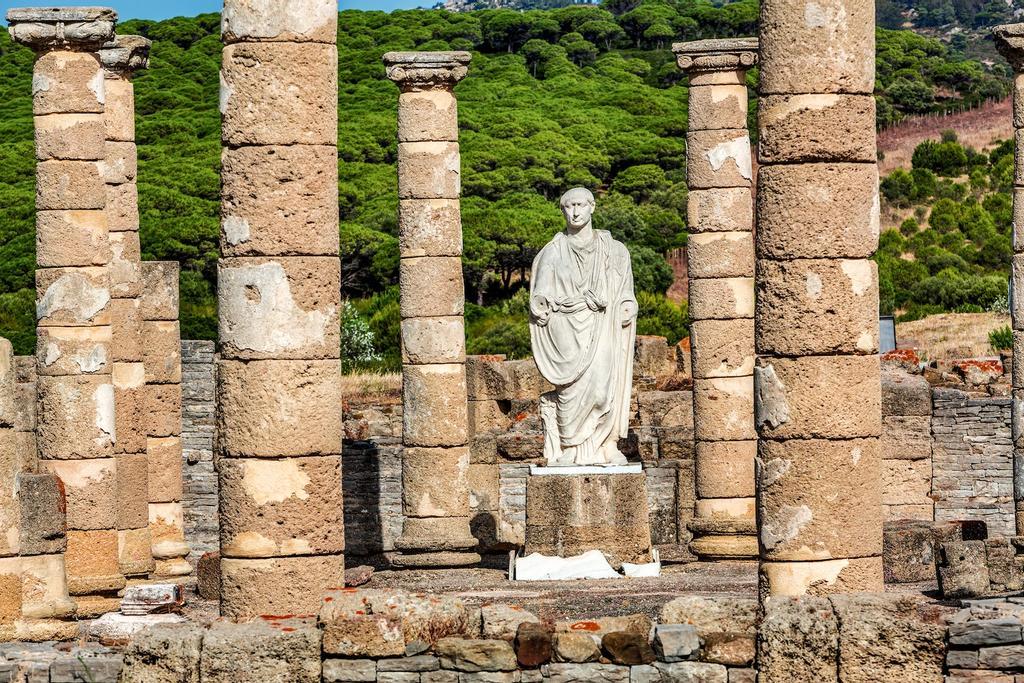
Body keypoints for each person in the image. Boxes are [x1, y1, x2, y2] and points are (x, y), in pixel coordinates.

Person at [529, 187, 638, 466]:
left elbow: (625, 291)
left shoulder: (614, 251)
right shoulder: (552, 252)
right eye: (569, 206)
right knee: (569, 389)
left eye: (580, 205)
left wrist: (627, 305)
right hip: (566, 327)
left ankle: (607, 444)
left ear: (592, 207)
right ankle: (570, 447)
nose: (575, 212)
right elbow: (540, 295)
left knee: (604, 387)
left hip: (603, 325)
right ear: (562, 210)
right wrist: (541, 305)